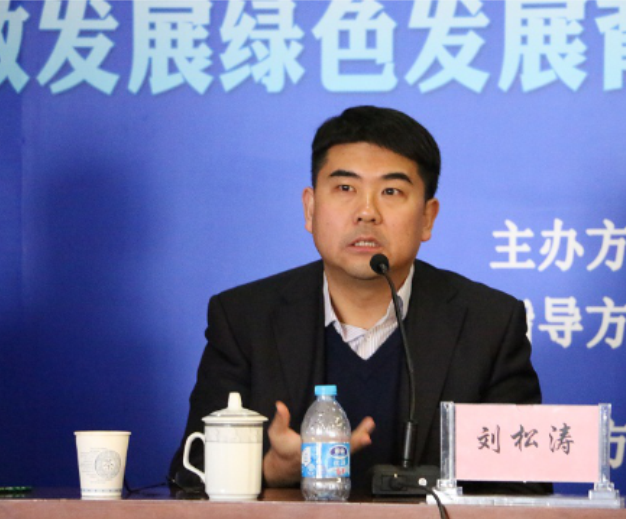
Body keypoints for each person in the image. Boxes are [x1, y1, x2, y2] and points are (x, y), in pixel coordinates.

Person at [169, 106, 548, 495]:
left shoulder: (488, 324)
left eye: (391, 191)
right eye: (345, 189)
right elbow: (191, 476)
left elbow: (525, 486)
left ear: (427, 218)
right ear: (310, 208)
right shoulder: (245, 320)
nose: (367, 212)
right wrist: (270, 469)